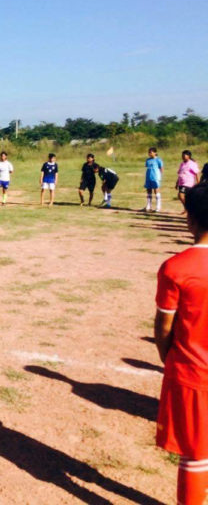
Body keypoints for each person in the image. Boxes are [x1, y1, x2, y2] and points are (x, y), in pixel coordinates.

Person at [154, 183, 208, 505]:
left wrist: (168, 357)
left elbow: (164, 327)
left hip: (192, 377)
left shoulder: (176, 267)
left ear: (190, 219)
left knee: (194, 454)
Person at [176, 150, 200, 214]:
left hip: (188, 183)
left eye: (184, 155)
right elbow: (180, 174)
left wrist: (198, 183)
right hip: (181, 182)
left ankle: (188, 208)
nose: (183, 157)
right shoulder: (182, 164)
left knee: (181, 195)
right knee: (184, 197)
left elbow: (196, 173)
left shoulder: (192, 164)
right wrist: (177, 183)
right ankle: (187, 208)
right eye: (182, 155)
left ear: (189, 156)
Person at [144, 147, 164, 212]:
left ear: (155, 153)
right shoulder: (148, 160)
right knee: (149, 191)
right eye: (149, 152)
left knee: (156, 191)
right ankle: (148, 205)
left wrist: (160, 176)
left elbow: (161, 168)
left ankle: (158, 206)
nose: (149, 153)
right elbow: (147, 167)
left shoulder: (158, 160)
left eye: (151, 152)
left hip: (155, 177)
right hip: (149, 177)